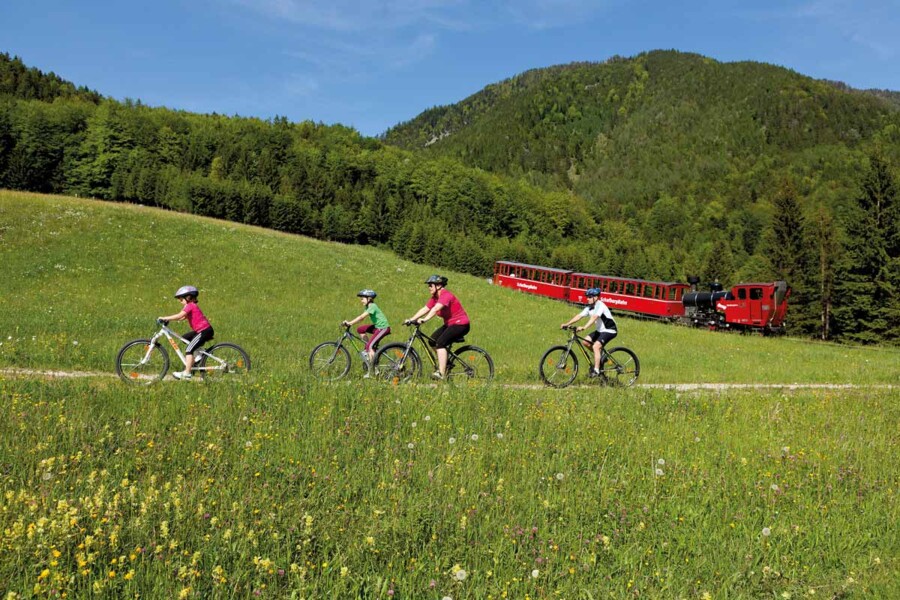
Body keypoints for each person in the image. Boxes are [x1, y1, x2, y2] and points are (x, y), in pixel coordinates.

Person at [405, 275, 470, 380]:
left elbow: (435, 309)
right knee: (432, 341)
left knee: (440, 343)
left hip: (461, 324)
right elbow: (425, 308)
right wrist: (411, 319)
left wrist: (425, 319)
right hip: (450, 324)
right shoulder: (435, 298)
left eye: (431, 285)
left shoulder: (446, 295)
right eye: (428, 286)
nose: (429, 288)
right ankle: (446, 363)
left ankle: (441, 373)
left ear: (438, 286)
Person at [159, 285, 214, 381]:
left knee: (189, 349)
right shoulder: (191, 306)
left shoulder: (190, 305)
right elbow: (182, 317)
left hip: (204, 331)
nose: (179, 301)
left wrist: (164, 318)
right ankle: (199, 355)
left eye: (181, 299)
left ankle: (187, 373)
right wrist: (170, 320)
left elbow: (179, 315)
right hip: (203, 330)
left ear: (188, 297)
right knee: (185, 338)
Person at [560, 287, 617, 377]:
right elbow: (579, 316)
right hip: (600, 331)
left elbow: (594, 317)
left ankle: (596, 370)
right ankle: (601, 356)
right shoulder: (589, 307)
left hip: (609, 330)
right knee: (585, 342)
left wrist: (584, 327)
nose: (587, 299)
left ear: (596, 297)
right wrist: (567, 324)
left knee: (595, 346)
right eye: (587, 297)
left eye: (590, 297)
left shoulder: (600, 305)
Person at [342, 289, 391, 376]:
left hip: (383, 328)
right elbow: (362, 318)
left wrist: (350, 323)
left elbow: (361, 317)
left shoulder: (372, 306)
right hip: (377, 327)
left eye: (362, 299)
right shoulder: (368, 307)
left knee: (370, 346)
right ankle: (369, 349)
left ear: (369, 299)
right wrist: (351, 323)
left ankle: (373, 371)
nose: (361, 301)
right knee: (360, 329)